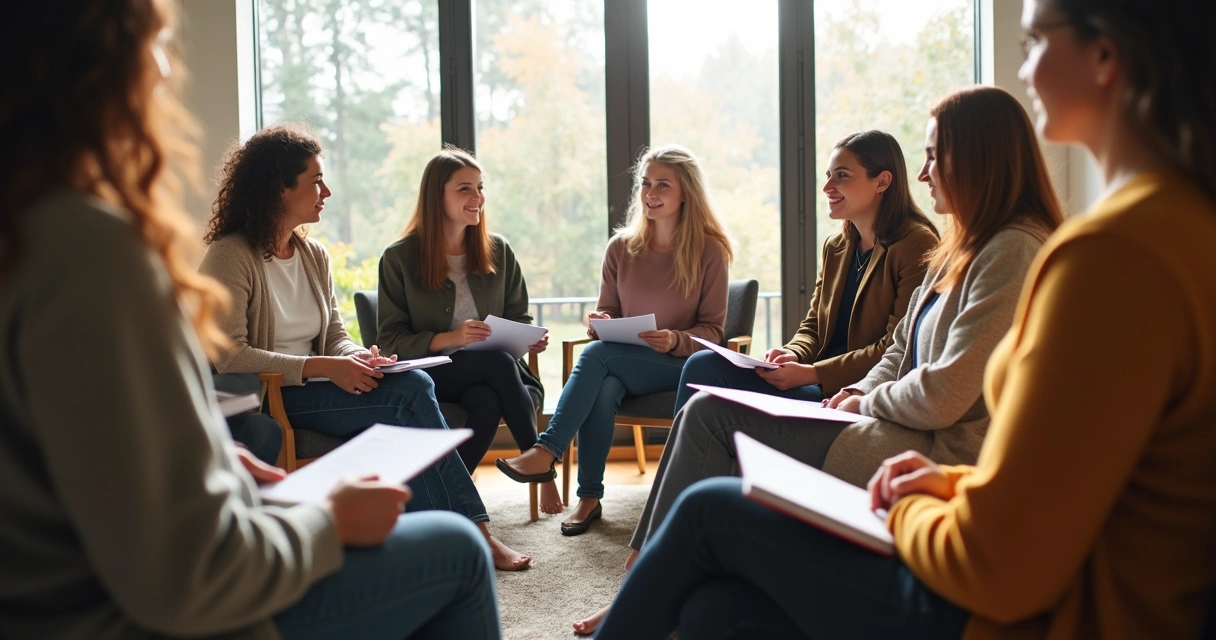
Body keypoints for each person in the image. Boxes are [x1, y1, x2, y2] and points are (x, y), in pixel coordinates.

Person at [596, 0, 1216, 637]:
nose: (1026, 65)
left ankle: (638, 589)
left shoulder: (1106, 255)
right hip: (948, 492)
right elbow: (1052, 472)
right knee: (713, 610)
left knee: (710, 506)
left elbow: (1003, 556)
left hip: (1004, 605)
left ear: (1105, 55)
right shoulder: (1150, 233)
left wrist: (910, 501)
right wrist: (947, 483)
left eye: (1034, 40)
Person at [0, 1, 501, 638]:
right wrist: (330, 520)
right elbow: (187, 570)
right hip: (140, 594)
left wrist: (347, 360)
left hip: (80, 590)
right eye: (157, 47)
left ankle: (465, 518)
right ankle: (474, 527)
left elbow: (98, 449)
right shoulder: (103, 250)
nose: (167, 72)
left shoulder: (36, 235)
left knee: (412, 385)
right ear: (98, 72)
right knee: (455, 550)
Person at [574, 86, 1064, 635]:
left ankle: (643, 581)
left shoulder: (1006, 251)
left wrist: (854, 395)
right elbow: (899, 348)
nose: (924, 174)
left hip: (929, 447)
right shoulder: (954, 249)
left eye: (934, 157)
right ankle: (649, 572)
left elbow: (943, 394)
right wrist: (832, 377)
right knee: (705, 410)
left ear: (979, 158)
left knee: (711, 423)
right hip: (879, 412)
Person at [199, 125, 531, 571]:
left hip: (319, 384)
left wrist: (356, 355)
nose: (327, 192)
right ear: (281, 188)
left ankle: (431, 532)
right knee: (411, 392)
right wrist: (324, 367)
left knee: (411, 385)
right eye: (316, 181)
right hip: (273, 394)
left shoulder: (313, 255)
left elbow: (335, 333)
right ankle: (473, 532)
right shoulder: (230, 256)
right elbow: (229, 356)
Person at [497, 145, 733, 535]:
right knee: (603, 381)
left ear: (686, 193)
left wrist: (674, 339)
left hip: (681, 366)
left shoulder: (710, 251)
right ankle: (589, 498)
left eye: (662, 185)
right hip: (623, 364)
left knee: (598, 357)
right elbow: (607, 311)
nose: (650, 194)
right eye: (645, 183)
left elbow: (713, 332)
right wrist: (600, 323)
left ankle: (547, 449)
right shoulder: (621, 248)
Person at [672, 130, 939, 412]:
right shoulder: (836, 246)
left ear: (882, 182)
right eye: (828, 175)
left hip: (855, 392)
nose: (827, 187)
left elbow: (897, 346)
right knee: (704, 365)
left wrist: (813, 373)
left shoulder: (917, 244)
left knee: (710, 379)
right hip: (815, 378)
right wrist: (792, 352)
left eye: (842, 176)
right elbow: (813, 326)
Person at [378, 148, 547, 473]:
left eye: (480, 187)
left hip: (490, 375)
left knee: (487, 400)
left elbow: (519, 317)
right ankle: (539, 462)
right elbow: (390, 343)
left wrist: (528, 338)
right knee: (498, 364)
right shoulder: (399, 258)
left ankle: (454, 492)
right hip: (431, 373)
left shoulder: (499, 250)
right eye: (465, 188)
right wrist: (452, 338)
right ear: (437, 196)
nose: (477, 197)